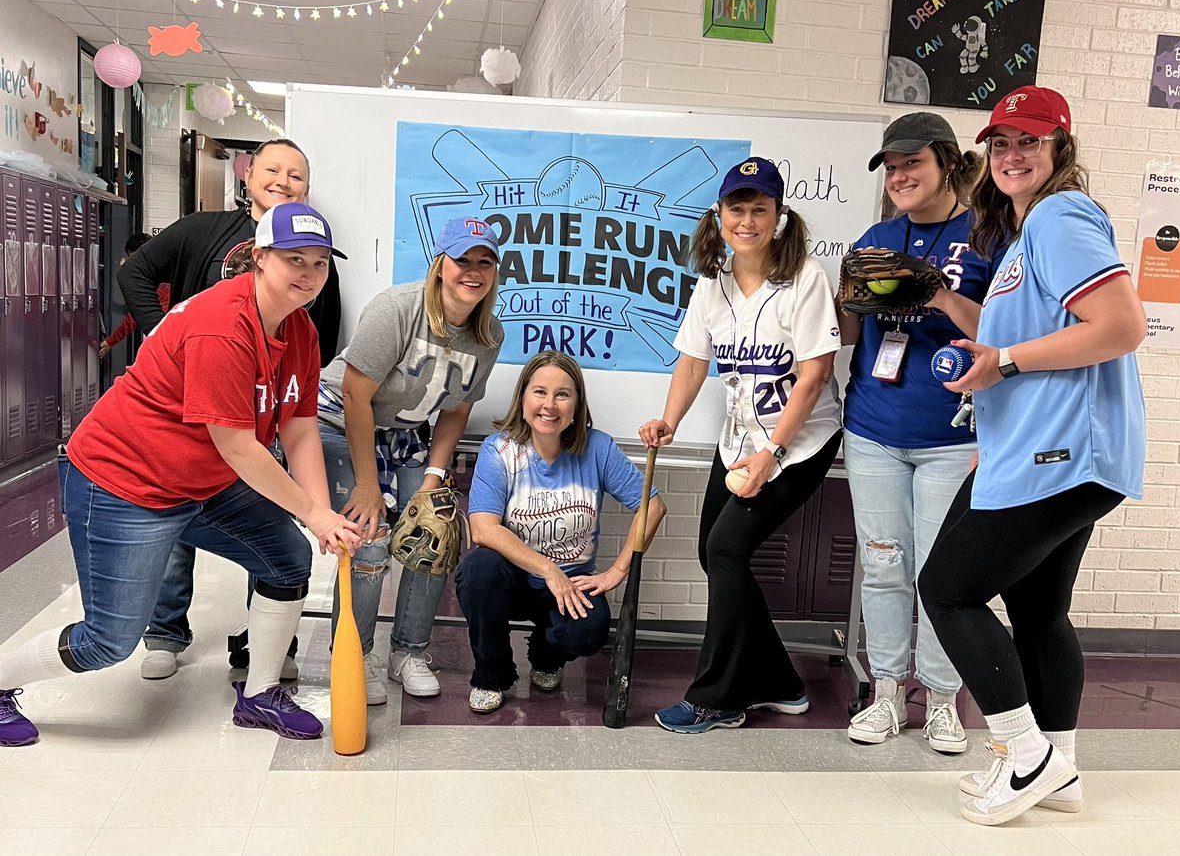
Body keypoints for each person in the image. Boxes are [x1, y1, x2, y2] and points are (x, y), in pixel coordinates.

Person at [0, 203, 361, 747]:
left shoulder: (301, 332)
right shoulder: (222, 326)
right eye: (294, 259)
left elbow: (300, 430)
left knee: (286, 558)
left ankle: (260, 694)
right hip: (124, 484)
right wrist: (311, 510)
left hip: (201, 483)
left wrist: (320, 514)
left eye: (319, 264)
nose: (308, 275)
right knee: (109, 642)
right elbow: (240, 448)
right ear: (259, 258)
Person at [918, 86, 1146, 825]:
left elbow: (1120, 326)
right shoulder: (1023, 237)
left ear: (1061, 149)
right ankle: (1063, 765)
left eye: (1031, 142)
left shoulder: (1061, 215)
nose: (1013, 156)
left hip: (1061, 452)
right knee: (1038, 608)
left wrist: (1005, 364)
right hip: (1042, 451)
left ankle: (1026, 755)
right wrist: (957, 315)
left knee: (947, 588)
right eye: (1003, 143)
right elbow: (1029, 334)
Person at [119, 138, 341, 680]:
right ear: (248, 176)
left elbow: (302, 414)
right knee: (165, 540)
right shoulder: (206, 234)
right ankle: (165, 632)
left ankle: (264, 649)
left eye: (297, 175)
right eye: (273, 169)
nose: (284, 181)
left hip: (255, 417)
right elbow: (134, 273)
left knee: (272, 532)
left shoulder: (310, 278)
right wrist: (161, 329)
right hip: (179, 429)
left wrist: (317, 510)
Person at [639, 157, 843, 734]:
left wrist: (772, 456)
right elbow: (693, 360)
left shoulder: (805, 279)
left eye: (760, 209)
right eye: (737, 208)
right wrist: (670, 419)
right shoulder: (714, 282)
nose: (747, 220)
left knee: (727, 550)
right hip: (738, 441)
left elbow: (815, 376)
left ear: (779, 216)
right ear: (720, 214)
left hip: (798, 445)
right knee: (713, 553)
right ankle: (780, 681)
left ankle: (717, 697)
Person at [838, 113, 991, 754]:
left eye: (913, 164)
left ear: (948, 164)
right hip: (874, 425)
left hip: (951, 433)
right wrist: (849, 299)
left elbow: (1003, 336)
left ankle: (942, 699)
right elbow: (852, 339)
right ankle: (886, 692)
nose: (900, 176)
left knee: (939, 574)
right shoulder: (877, 234)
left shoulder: (987, 234)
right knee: (882, 566)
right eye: (892, 167)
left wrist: (939, 297)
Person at [318, 216, 503, 704]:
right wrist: (366, 485)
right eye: (463, 259)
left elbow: (458, 409)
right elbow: (357, 397)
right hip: (339, 419)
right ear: (440, 264)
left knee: (434, 529)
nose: (474, 271)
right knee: (370, 537)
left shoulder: (488, 335)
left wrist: (434, 479)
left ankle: (408, 652)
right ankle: (356, 655)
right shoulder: (397, 308)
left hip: (402, 434)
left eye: (485, 262)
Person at [458, 352, 667, 714]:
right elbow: (483, 529)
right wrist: (548, 569)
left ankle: (546, 655)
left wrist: (616, 572)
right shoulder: (501, 449)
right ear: (523, 397)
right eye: (539, 392)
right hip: (513, 582)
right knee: (478, 571)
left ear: (576, 405)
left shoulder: (597, 448)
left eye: (562, 395)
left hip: (571, 586)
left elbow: (653, 506)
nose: (549, 406)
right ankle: (491, 674)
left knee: (589, 631)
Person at [99, 232, 169, 360]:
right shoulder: (165, 271)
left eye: (133, 258)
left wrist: (111, 341)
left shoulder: (158, 282)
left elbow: (135, 316)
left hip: (166, 341)